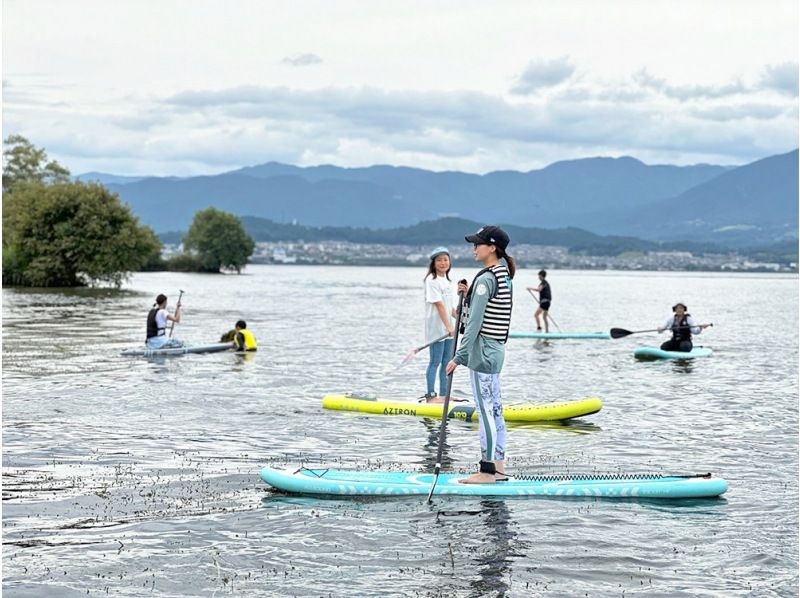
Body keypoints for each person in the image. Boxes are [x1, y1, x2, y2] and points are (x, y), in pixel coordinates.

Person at [446, 225, 515, 484]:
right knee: (495, 410)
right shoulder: (503, 275)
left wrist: (459, 357)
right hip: (495, 351)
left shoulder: (486, 279)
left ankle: (487, 472)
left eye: (478, 244)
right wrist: (468, 295)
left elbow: (473, 324)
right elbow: (480, 312)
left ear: (492, 247)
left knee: (485, 412)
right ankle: (499, 469)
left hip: (482, 353)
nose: (474, 248)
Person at [423, 247, 456, 401]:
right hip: (437, 328)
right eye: (439, 260)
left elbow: (450, 308)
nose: (443, 263)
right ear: (434, 263)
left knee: (447, 363)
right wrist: (448, 327)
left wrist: (462, 319)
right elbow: (439, 305)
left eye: (445, 260)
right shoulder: (432, 280)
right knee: (435, 362)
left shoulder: (447, 281)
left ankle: (444, 395)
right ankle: (430, 396)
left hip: (449, 329)